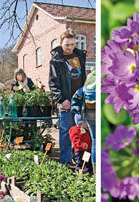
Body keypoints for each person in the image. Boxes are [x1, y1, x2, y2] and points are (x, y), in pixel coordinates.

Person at [49, 29, 86, 164]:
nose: (70, 47)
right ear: (60, 43)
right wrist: (61, 100)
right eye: (67, 45)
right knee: (65, 132)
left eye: (72, 44)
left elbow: (83, 78)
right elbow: (53, 83)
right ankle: (64, 163)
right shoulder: (56, 60)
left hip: (80, 100)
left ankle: (80, 163)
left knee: (80, 132)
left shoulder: (80, 56)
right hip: (66, 102)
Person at [71, 70, 96, 174]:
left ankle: (95, 170)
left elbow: (75, 98)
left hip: (88, 113)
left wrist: (79, 118)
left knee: (94, 140)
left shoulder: (86, 87)